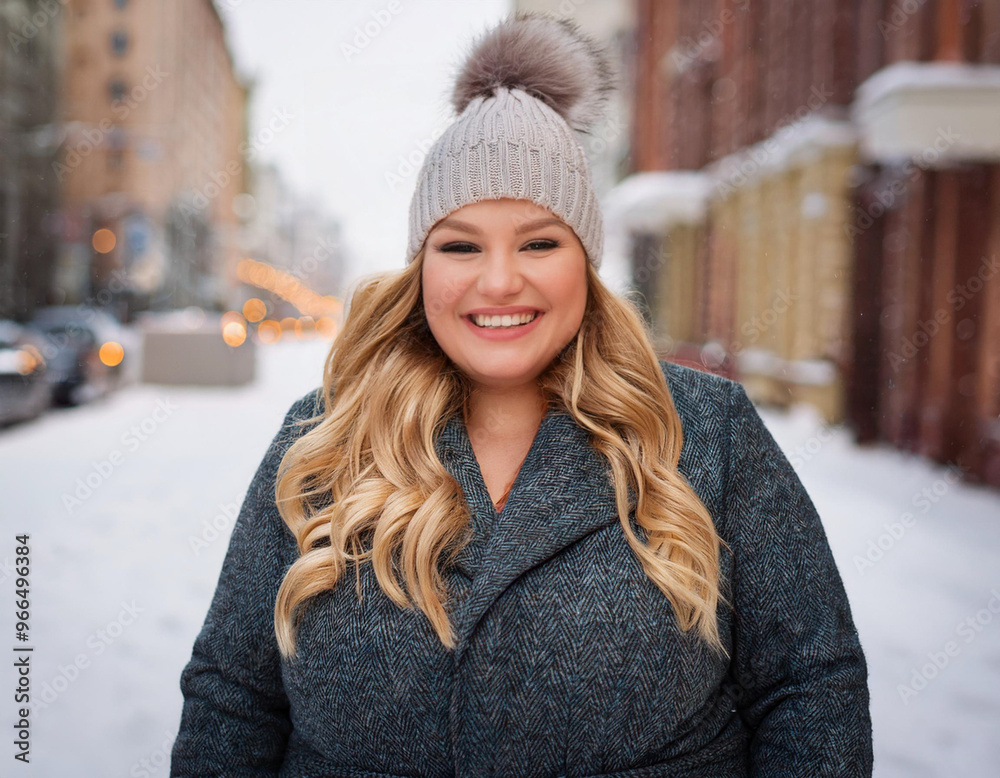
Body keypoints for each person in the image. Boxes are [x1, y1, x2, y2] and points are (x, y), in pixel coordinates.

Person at [170, 11, 873, 777]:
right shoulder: (322, 437)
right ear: (421, 268)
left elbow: (810, 688)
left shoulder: (710, 433)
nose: (499, 281)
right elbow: (233, 699)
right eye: (461, 245)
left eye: (539, 242)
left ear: (587, 262)